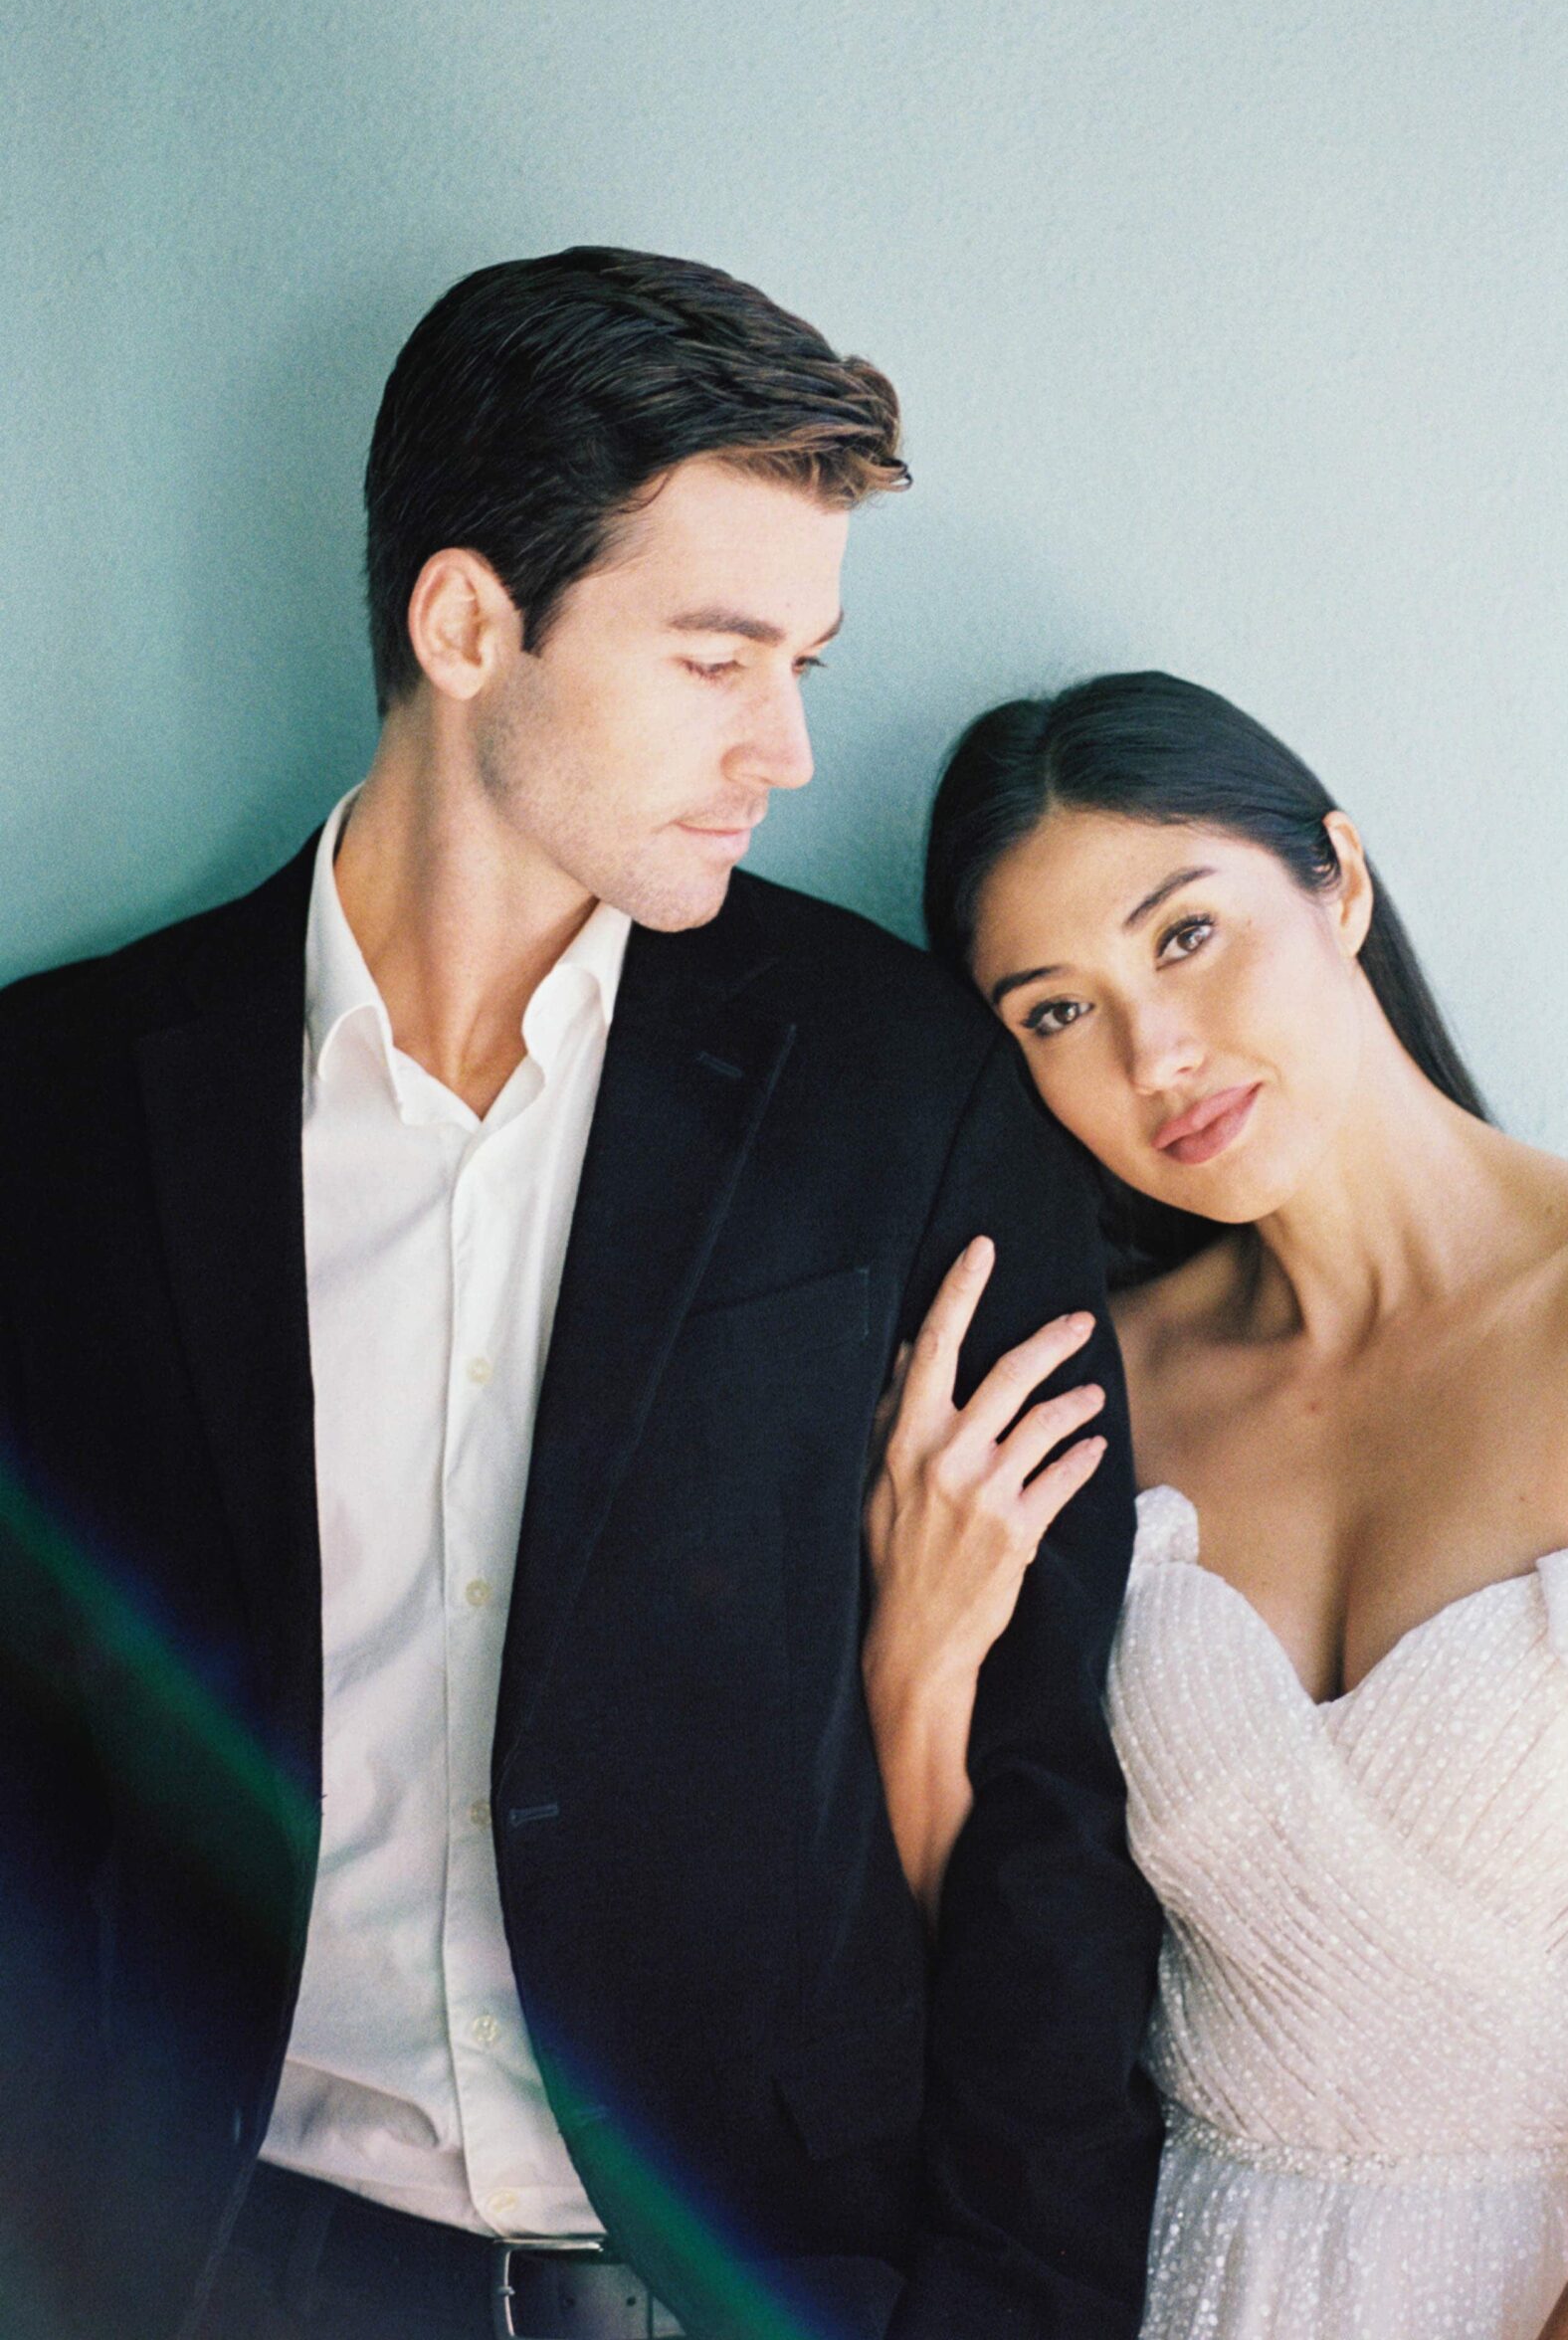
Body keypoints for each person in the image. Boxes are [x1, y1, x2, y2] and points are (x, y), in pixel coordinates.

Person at [0, 252, 1162, 2340]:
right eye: (717, 657)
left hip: (764, 2284)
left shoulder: (906, 1093)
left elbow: (1050, 1814)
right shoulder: (58, 1110)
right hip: (217, 2269)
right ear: (467, 622)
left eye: (804, 658)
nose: (791, 748)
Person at [863, 670, 1568, 2340]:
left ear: (1339, 877)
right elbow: (1001, 1989)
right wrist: (914, 1666)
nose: (1153, 1055)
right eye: (1053, 1011)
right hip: (1200, 2285)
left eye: (1182, 936)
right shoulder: (1084, 1396)